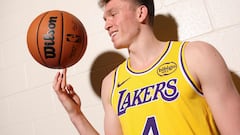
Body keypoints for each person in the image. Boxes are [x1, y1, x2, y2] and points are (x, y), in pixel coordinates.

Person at [52, 0, 240, 134]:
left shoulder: (196, 56)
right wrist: (75, 114)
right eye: (105, 19)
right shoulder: (111, 83)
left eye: (113, 14)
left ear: (140, 13)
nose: (107, 25)